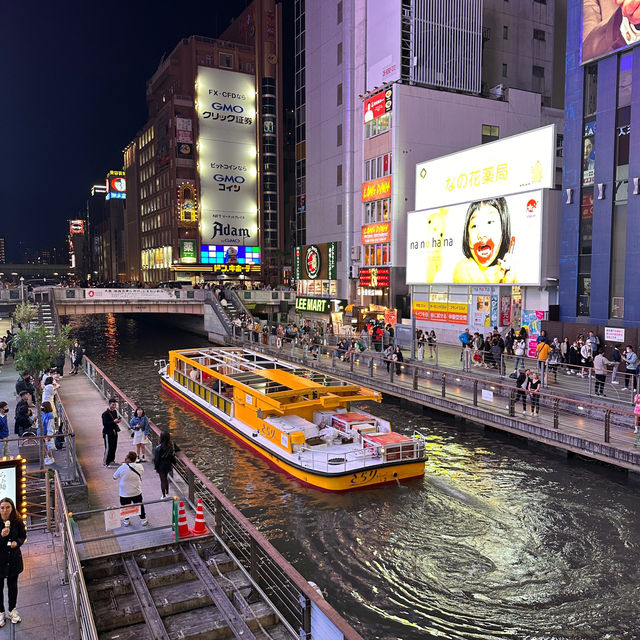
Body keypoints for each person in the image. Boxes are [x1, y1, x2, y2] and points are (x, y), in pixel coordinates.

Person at [453, 197, 516, 284]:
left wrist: (510, 282)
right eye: (474, 226)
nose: (482, 234)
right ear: (467, 236)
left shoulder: (509, 272)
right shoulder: (464, 269)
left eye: (490, 222)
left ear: (504, 229)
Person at [0, 497, 26, 625]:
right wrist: (1, 536)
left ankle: (12, 609)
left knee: (12, 586)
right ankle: (0, 612)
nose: (5, 510)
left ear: (12, 508)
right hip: (0, 561)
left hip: (13, 559)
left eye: (7, 507)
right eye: (2, 508)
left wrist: (18, 542)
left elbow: (23, 536)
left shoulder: (17, 521)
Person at [113, 451, 148, 527]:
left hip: (124, 492)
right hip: (136, 490)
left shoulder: (122, 467)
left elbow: (114, 477)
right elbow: (141, 473)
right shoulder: (140, 466)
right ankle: (143, 520)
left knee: (125, 507)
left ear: (128, 459)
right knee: (139, 505)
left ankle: (126, 521)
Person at [153, 431, 178, 500]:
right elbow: (176, 452)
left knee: (162, 480)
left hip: (161, 466)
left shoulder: (159, 448)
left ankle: (163, 495)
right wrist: (174, 462)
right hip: (168, 465)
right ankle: (167, 493)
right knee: (166, 479)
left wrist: (156, 468)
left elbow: (157, 459)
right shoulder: (171, 445)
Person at [102, 398, 121, 468]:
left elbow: (114, 420)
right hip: (107, 433)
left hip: (114, 432)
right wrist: (114, 422)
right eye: (113, 404)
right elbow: (105, 424)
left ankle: (112, 461)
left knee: (114, 447)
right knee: (108, 447)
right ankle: (106, 462)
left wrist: (118, 421)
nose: (114, 406)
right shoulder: (105, 414)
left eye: (115, 405)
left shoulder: (115, 412)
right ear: (109, 404)